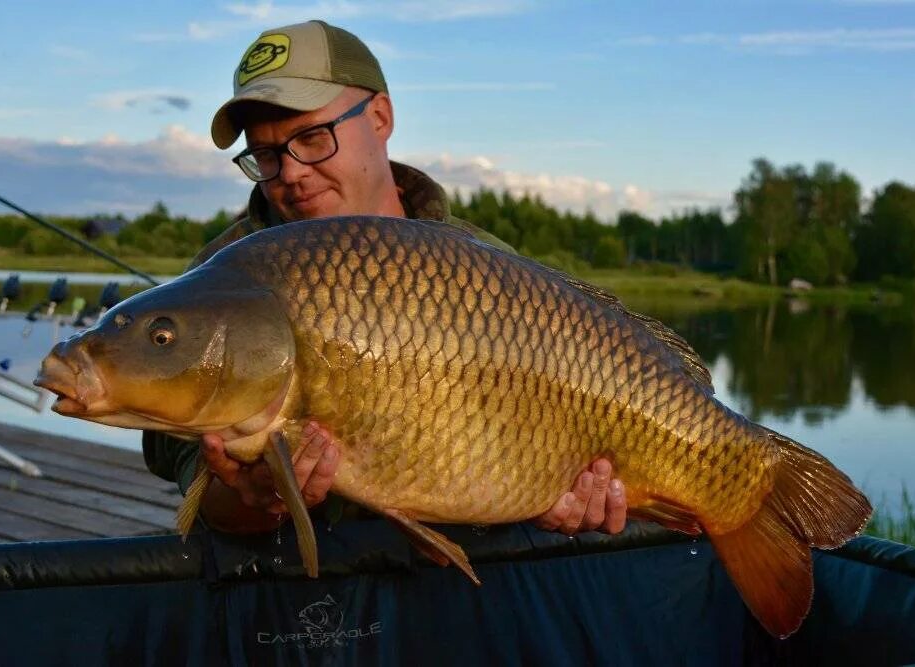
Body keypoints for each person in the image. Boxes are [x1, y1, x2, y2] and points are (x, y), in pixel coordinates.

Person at [143, 19, 627, 539]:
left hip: (459, 589)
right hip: (295, 594)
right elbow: (181, 463)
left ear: (379, 117)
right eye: (265, 154)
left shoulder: (491, 267)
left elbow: (554, 470)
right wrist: (253, 496)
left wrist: (553, 497)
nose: (291, 173)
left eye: (311, 138)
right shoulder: (225, 275)